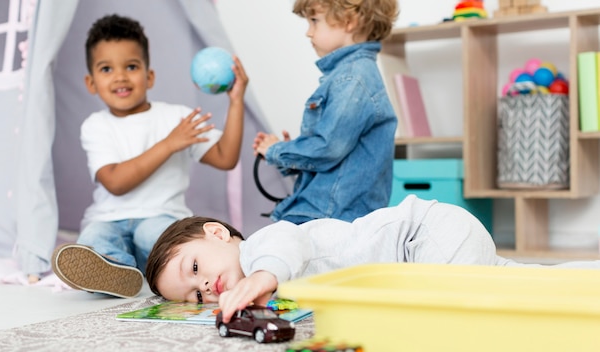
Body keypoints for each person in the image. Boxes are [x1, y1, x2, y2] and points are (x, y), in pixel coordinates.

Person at [145, 194, 600, 323]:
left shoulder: (265, 245)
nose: (205, 289)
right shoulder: (264, 290)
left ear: (219, 233)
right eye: (193, 297)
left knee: (452, 323)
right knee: (524, 284)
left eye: (196, 270)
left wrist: (260, 277)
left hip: (423, 238)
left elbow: (285, 250)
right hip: (433, 252)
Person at [51, 14, 249, 298]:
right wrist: (169, 144)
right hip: (109, 218)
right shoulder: (95, 125)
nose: (120, 76)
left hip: (162, 218)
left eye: (131, 66)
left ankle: (144, 268)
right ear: (91, 82)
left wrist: (236, 101)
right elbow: (116, 182)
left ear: (149, 75)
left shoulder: (176, 117)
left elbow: (225, 157)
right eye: (106, 69)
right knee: (93, 239)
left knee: (155, 237)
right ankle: (118, 271)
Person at [252, 0, 399, 224]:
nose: (308, 33)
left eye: (314, 21)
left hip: (329, 216)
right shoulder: (350, 76)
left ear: (349, 22)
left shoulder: (352, 79)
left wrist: (277, 150)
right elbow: (339, 158)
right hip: (329, 212)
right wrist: (288, 155)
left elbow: (327, 148)